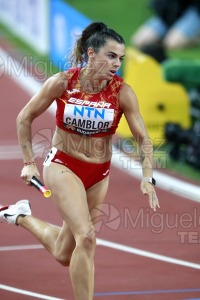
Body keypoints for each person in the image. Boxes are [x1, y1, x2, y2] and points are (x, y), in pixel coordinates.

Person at [0, 22, 159, 300]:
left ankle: (19, 215)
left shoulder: (122, 92)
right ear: (91, 53)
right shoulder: (63, 82)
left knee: (64, 253)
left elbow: (143, 138)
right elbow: (24, 117)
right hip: (63, 165)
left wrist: (147, 177)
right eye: (111, 56)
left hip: (99, 174)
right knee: (86, 237)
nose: (116, 64)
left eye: (121, 58)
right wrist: (28, 162)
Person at [131, 0, 200, 50]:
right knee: (140, 41)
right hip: (168, 12)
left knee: (173, 44)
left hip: (194, 10)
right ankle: (168, 37)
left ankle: (196, 36)